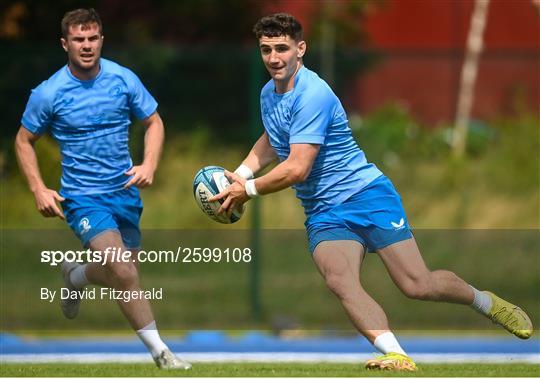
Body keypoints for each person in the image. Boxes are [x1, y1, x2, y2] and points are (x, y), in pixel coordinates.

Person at [210, 13, 533, 371]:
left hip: (366, 195)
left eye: (281, 48)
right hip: (323, 211)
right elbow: (274, 138)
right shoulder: (268, 93)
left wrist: (247, 190)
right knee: (340, 280)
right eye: (266, 50)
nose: (273, 58)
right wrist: (238, 175)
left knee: (417, 284)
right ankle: (396, 354)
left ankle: (485, 302)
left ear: (300, 49)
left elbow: (297, 167)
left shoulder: (313, 93)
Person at [15, 8, 191, 370]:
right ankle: (162, 354)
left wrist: (149, 164)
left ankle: (75, 274)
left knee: (119, 271)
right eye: (78, 39)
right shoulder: (49, 93)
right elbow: (23, 140)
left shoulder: (123, 79)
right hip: (82, 198)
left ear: (101, 41)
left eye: (92, 38)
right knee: (123, 271)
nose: (86, 45)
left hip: (125, 193)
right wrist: (38, 189)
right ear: (65, 44)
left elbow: (154, 121)